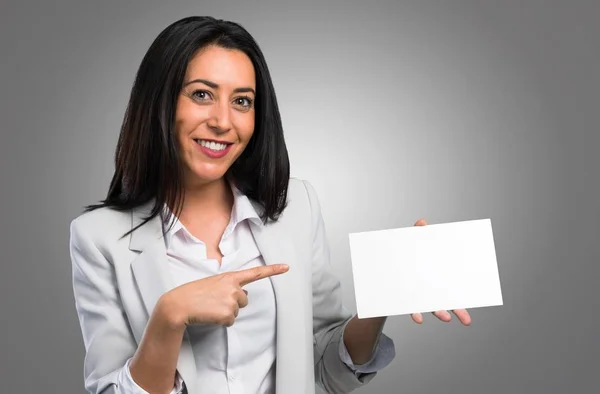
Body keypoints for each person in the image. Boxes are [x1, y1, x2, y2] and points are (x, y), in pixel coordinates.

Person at [69, 16, 471, 394]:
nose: (223, 121)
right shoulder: (99, 238)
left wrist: (383, 292)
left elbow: (325, 371)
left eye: (242, 101)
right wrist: (169, 318)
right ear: (159, 102)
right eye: (202, 95)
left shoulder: (297, 207)